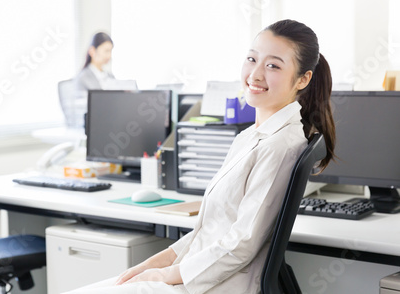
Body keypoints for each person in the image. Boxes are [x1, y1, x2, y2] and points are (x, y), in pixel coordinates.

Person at [64, 19, 336, 294]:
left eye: (273, 65)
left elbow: (241, 244)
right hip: (196, 275)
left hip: (217, 285)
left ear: (303, 79)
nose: (255, 74)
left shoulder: (281, 145)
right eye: (252, 59)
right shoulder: (250, 137)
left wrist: (164, 276)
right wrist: (150, 267)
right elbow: (206, 232)